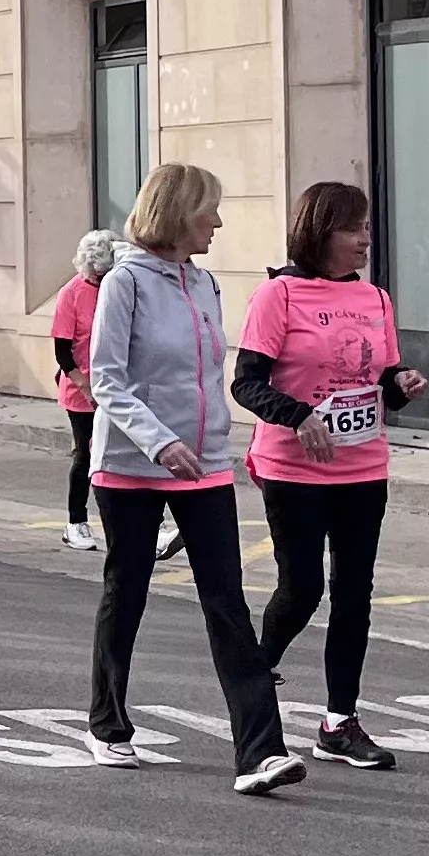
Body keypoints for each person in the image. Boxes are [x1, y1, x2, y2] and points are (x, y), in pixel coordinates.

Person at [81, 163, 304, 796]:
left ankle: (261, 751)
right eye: (210, 209)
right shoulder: (125, 282)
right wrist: (159, 442)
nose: (219, 221)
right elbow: (107, 380)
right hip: (130, 464)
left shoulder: (205, 284)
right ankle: (107, 724)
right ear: (179, 212)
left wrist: (211, 447)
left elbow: (209, 378)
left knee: (226, 600)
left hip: (203, 464)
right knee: (126, 592)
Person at [235, 182, 425, 771]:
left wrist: (400, 388)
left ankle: (339, 722)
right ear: (319, 232)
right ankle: (253, 673)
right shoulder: (279, 294)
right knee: (303, 588)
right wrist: (299, 416)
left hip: (363, 465)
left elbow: (381, 380)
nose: (365, 238)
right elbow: (247, 384)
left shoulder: (376, 299)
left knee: (355, 594)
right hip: (294, 466)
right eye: (352, 229)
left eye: (368, 227)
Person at [49, 231, 125, 552]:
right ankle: (75, 522)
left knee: (123, 455)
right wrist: (86, 387)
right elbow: (63, 351)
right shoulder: (72, 293)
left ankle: (140, 522)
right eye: (98, 275)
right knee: (86, 454)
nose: (103, 279)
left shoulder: (117, 288)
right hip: (82, 386)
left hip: (115, 385)